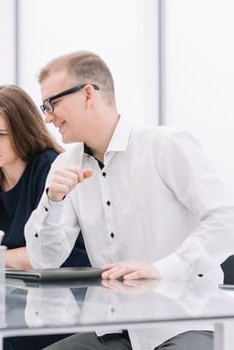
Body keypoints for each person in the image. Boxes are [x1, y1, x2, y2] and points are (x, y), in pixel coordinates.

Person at [24, 50, 234, 350]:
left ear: (87, 94)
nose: (47, 117)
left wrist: (163, 269)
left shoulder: (164, 146)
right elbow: (46, 259)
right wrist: (52, 202)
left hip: (184, 322)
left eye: (52, 104)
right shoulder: (65, 165)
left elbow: (227, 219)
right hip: (113, 330)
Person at [0, 85, 90, 350]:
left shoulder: (51, 170)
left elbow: (43, 257)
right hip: (8, 305)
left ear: (23, 131)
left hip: (62, 306)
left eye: (0, 135)